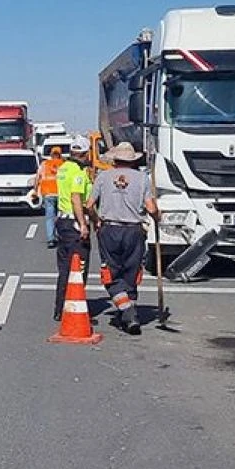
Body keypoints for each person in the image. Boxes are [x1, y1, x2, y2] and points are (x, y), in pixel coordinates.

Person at [87, 141, 160, 335]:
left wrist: (96, 221)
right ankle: (127, 312)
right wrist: (158, 217)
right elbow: (151, 208)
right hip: (134, 230)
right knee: (131, 273)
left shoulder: (103, 177)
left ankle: (127, 311)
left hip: (110, 229)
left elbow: (89, 204)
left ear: (115, 160)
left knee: (111, 275)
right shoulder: (142, 178)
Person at [53, 135, 94, 322]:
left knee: (64, 267)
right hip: (75, 223)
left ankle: (60, 308)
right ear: (85, 154)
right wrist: (84, 224)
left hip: (62, 221)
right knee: (79, 268)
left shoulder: (63, 168)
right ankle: (74, 309)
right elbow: (76, 198)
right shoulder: (78, 172)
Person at [35, 145, 65, 248]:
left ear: (51, 154)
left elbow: (37, 178)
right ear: (60, 155)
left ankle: (51, 239)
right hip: (61, 194)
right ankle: (62, 237)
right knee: (61, 216)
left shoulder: (44, 164)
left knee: (49, 217)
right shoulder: (64, 165)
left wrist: (35, 191)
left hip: (48, 194)